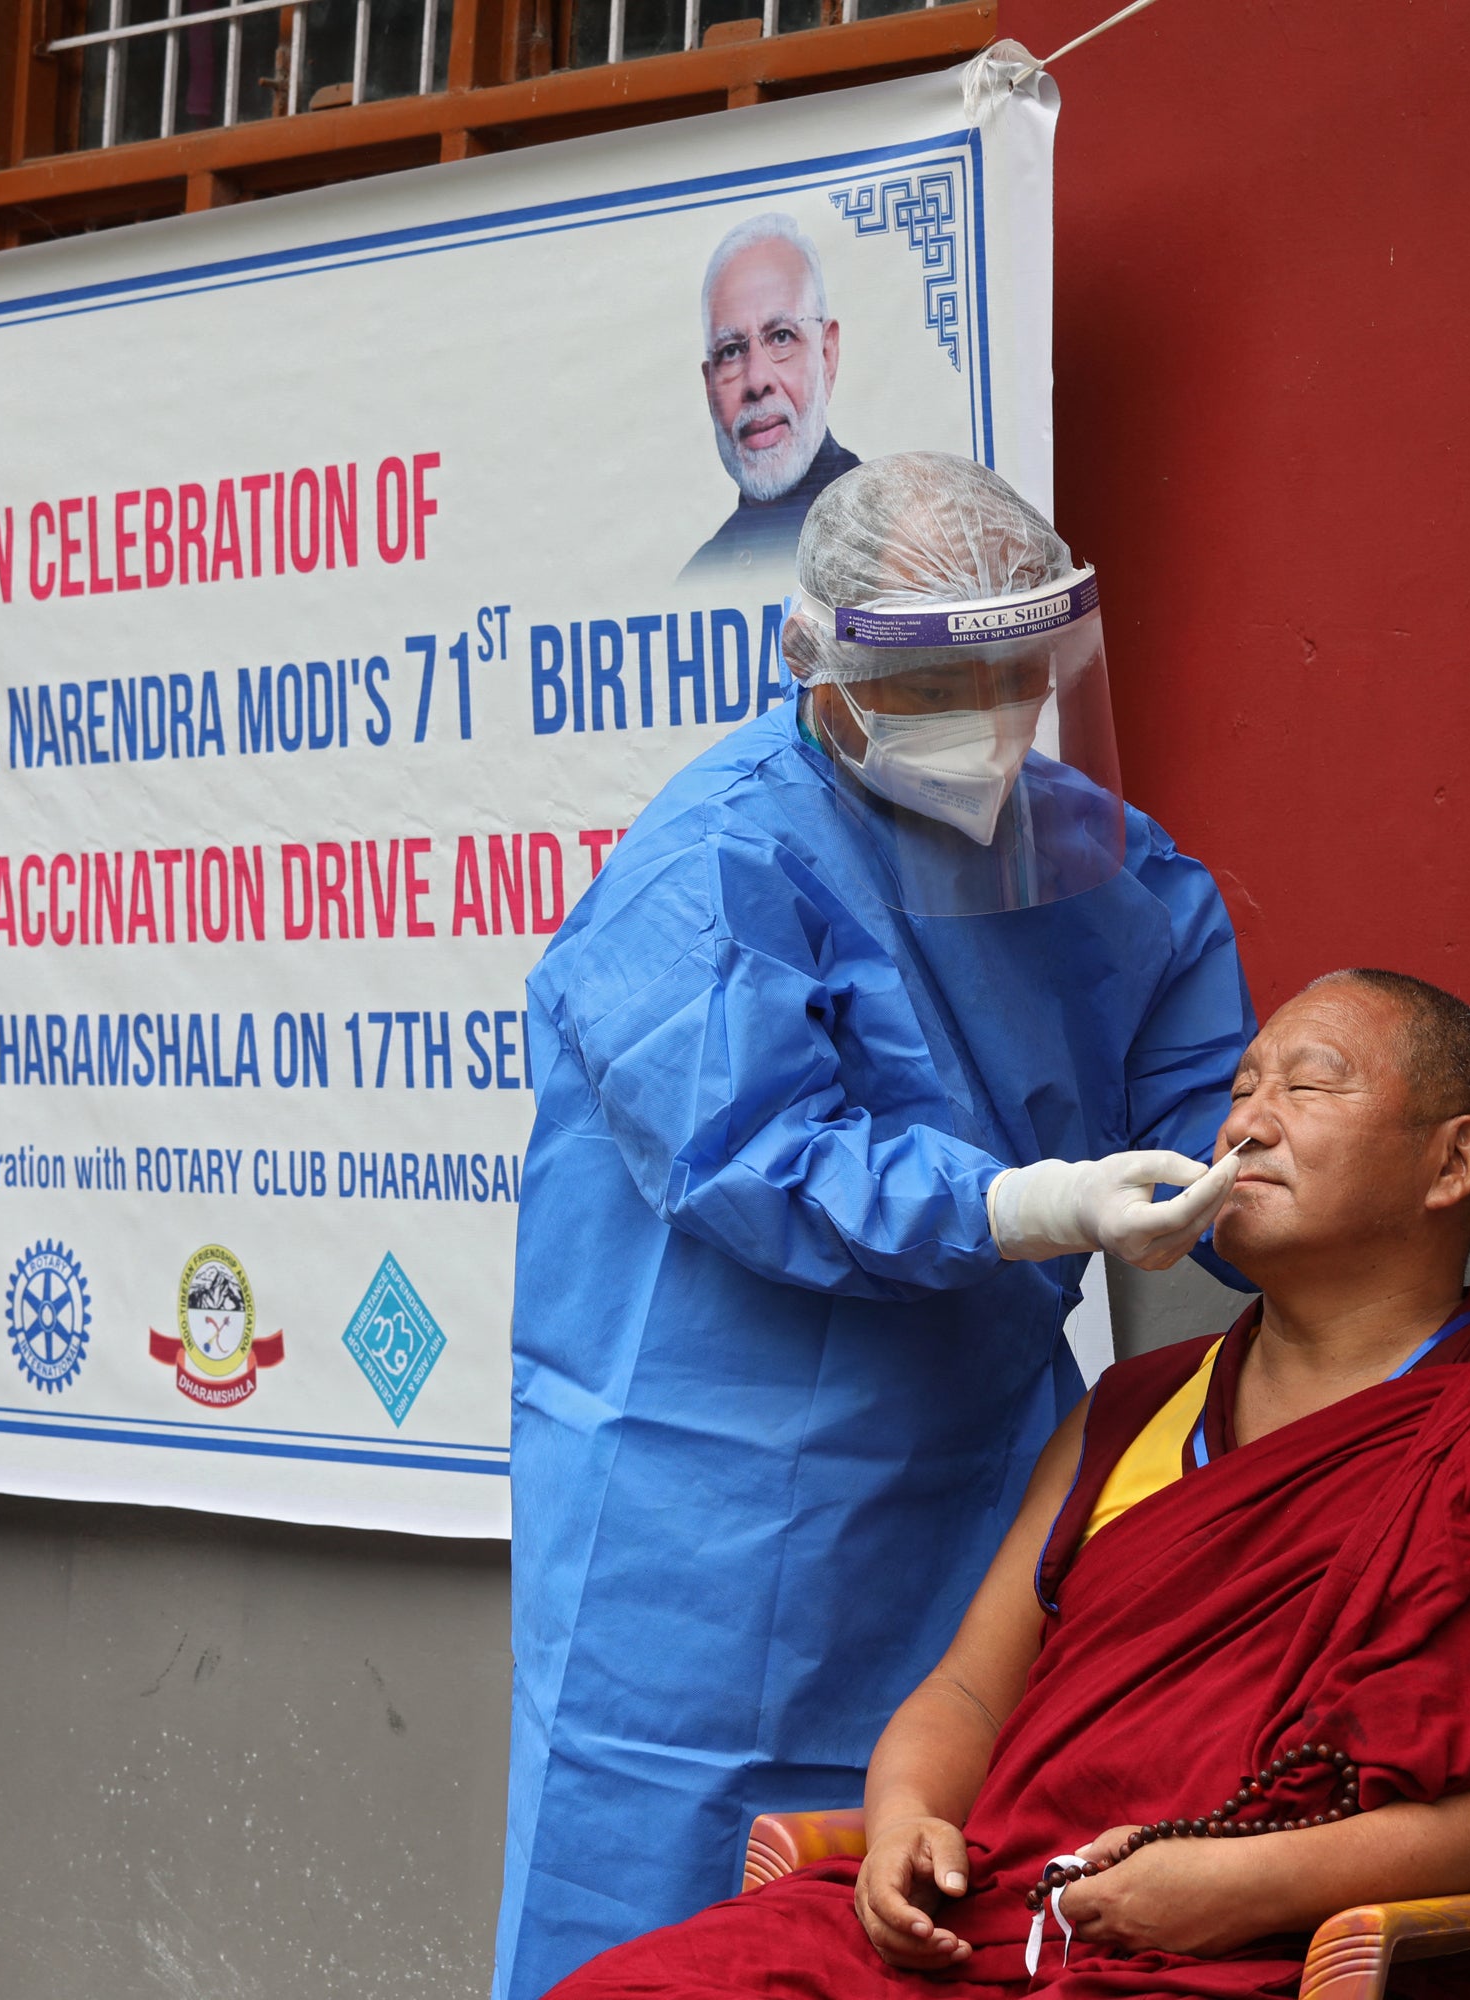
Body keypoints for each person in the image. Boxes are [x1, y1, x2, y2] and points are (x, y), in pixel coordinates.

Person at [545, 970, 1470, 2000]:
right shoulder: (1137, 1405)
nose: (1248, 1122)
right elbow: (965, 1693)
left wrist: (1232, 1884)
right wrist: (905, 1819)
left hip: (1260, 1950)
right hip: (996, 1920)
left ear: (1451, 1161)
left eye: (1307, 1089)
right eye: (1243, 1086)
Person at [501, 452, 1261, 1995]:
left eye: (1017, 678)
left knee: (929, 1891)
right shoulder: (714, 862)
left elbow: (1205, 1109)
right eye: (941, 684)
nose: (988, 723)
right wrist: (1038, 1201)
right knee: (663, 1898)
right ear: (813, 662)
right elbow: (756, 1147)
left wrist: (1258, 1194)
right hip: (697, 1502)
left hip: (974, 1470)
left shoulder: (1102, 868)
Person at [680, 213, 860, 582]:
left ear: (827, 355)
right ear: (708, 386)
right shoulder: (698, 581)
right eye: (730, 351)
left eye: (781, 337)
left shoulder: (892, 534)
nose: (756, 379)